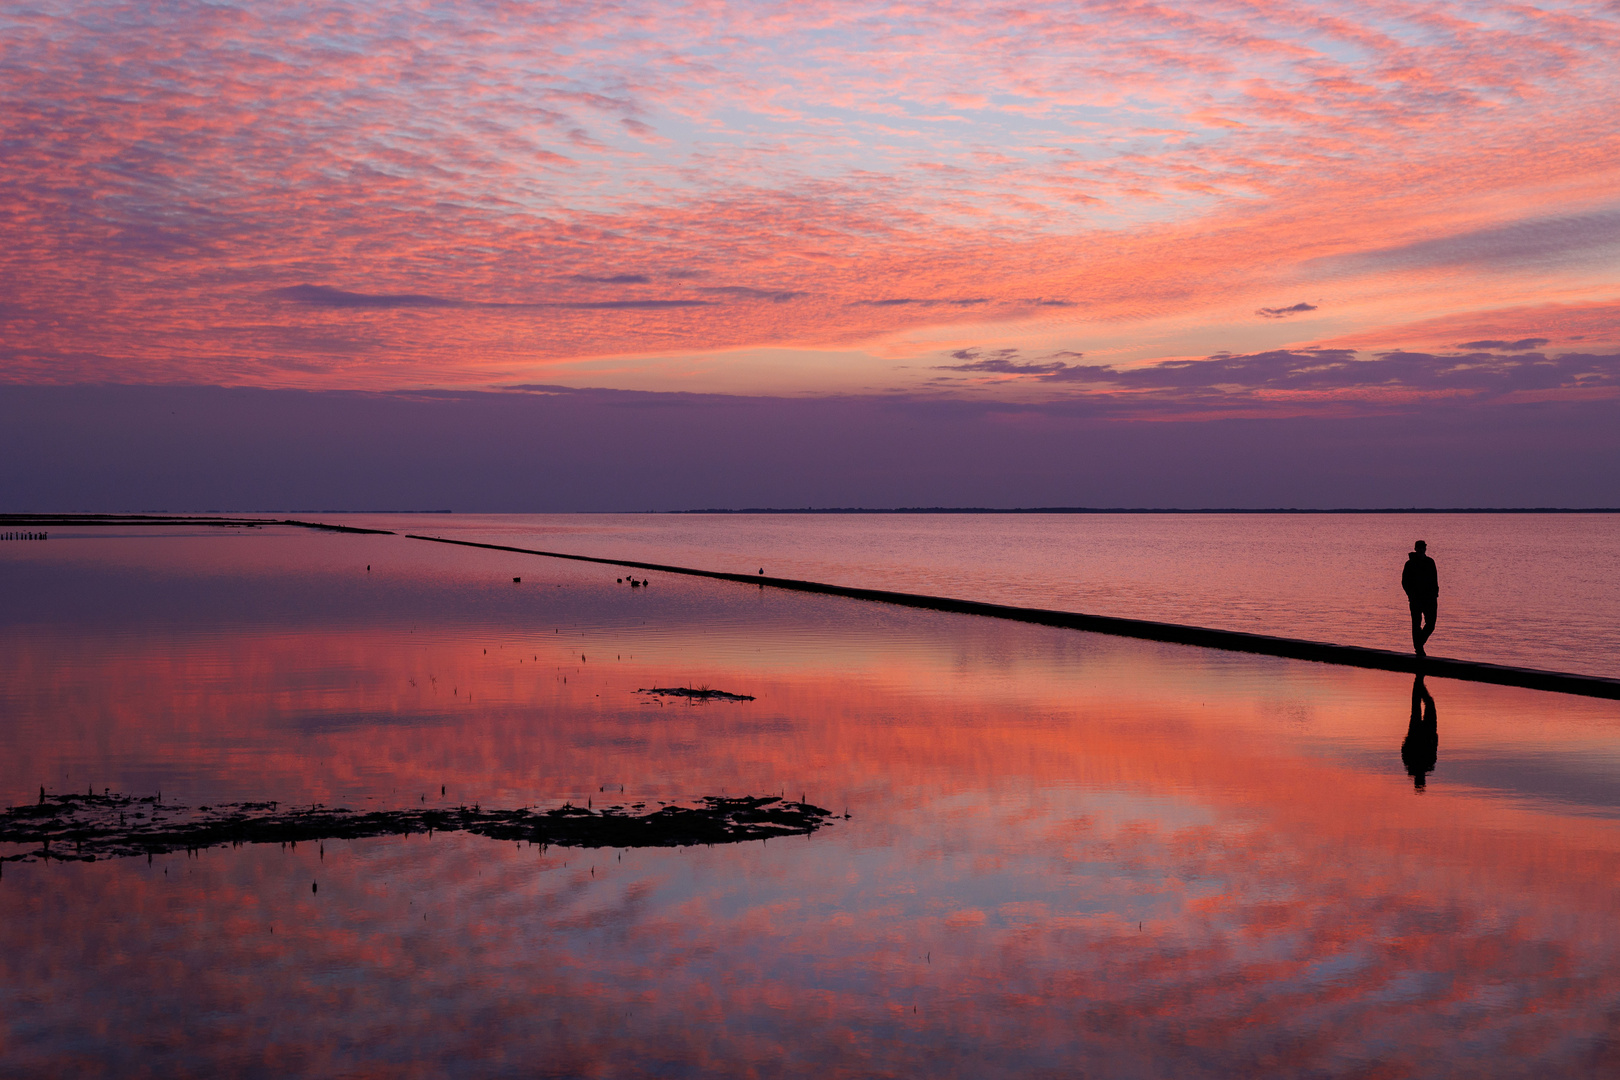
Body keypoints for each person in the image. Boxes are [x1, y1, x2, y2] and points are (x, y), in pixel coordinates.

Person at [1401, 540, 1439, 657]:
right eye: (1419, 548)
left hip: (1430, 599)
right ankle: (1419, 648)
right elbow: (1404, 582)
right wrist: (1411, 595)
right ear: (1416, 549)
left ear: (1425, 549)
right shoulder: (1409, 564)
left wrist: (1435, 593)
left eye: (1423, 548)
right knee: (1416, 624)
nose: (1422, 550)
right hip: (1416, 599)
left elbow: (1434, 579)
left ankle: (1419, 644)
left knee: (1431, 624)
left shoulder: (1430, 562)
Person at [1401, 674, 1438, 791]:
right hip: (1425, 731)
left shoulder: (1414, 765)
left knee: (1419, 705)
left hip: (1417, 732)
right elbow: (1434, 747)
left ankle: (1419, 681)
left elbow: (1404, 749)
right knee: (1425, 704)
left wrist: (1409, 737)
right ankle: (1419, 682)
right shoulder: (1427, 765)